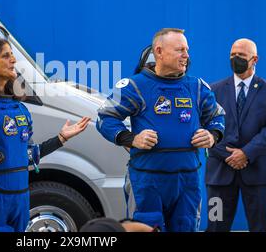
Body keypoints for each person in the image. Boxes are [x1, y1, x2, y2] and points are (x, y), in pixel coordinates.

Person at [0, 38, 91, 232]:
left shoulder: (19, 109)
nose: (13, 60)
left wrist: (60, 139)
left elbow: (27, 156)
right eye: (5, 56)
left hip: (19, 204)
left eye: (12, 55)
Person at [96, 28, 225, 232]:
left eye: (187, 50)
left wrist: (212, 135)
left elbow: (217, 116)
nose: (186, 56)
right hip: (147, 181)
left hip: (187, 181)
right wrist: (132, 138)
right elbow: (105, 118)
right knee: (146, 228)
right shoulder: (134, 86)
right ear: (159, 52)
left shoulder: (197, 87)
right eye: (179, 50)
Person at [206, 38, 266, 232]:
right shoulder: (213, 90)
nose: (235, 58)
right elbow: (206, 128)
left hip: (259, 172)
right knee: (215, 226)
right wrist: (231, 156)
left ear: (254, 59)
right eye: (232, 55)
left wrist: (245, 153)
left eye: (240, 55)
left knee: (261, 228)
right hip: (220, 173)